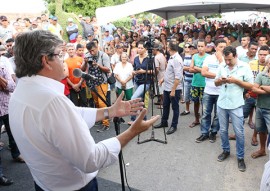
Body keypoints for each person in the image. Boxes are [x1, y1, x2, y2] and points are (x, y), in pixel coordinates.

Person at [9, 30, 159, 191]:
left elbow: (71, 114)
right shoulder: (51, 102)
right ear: (46, 61)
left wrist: (109, 111)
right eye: (60, 55)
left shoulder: (21, 91)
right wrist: (132, 132)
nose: (64, 60)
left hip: (44, 183)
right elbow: (90, 160)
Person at [214, 46, 253, 172]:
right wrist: (220, 81)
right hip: (222, 103)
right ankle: (225, 150)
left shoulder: (244, 66)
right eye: (226, 59)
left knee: (239, 133)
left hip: (236, 104)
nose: (227, 62)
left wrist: (236, 81)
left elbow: (250, 85)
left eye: (230, 59)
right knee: (223, 130)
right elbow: (215, 82)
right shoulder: (222, 66)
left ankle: (240, 157)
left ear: (235, 56)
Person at [195, 39, 227, 143]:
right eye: (221, 47)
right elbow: (204, 72)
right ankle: (204, 133)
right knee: (206, 113)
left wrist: (221, 61)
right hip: (208, 91)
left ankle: (213, 132)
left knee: (218, 115)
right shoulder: (209, 59)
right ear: (216, 47)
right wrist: (219, 76)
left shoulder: (227, 60)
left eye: (224, 47)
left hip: (221, 92)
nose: (223, 49)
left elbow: (227, 75)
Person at [153, 42, 183, 135]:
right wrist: (163, 78)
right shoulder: (171, 57)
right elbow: (169, 71)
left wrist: (173, 90)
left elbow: (178, 76)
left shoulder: (177, 59)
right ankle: (164, 122)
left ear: (169, 48)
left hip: (174, 88)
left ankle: (174, 125)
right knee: (165, 105)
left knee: (175, 107)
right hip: (167, 86)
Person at [82, 41, 111, 132]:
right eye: (89, 51)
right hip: (92, 83)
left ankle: (106, 123)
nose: (91, 53)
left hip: (102, 82)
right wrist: (86, 62)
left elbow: (108, 69)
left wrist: (98, 65)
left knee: (102, 103)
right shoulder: (87, 56)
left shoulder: (103, 55)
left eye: (93, 50)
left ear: (97, 47)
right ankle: (101, 119)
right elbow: (82, 69)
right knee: (96, 103)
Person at [189, 40, 209, 128]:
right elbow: (190, 69)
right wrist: (201, 70)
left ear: (205, 47)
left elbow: (208, 71)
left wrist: (196, 68)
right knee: (196, 103)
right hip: (195, 83)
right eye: (199, 46)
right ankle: (196, 119)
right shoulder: (194, 56)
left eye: (202, 46)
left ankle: (204, 122)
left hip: (205, 84)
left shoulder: (209, 57)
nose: (200, 48)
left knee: (205, 105)